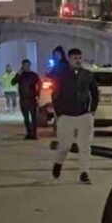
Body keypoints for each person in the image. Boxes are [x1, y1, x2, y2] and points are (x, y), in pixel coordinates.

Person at [50, 48, 99, 184]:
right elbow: (55, 95)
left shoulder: (87, 74)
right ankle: (58, 162)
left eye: (79, 58)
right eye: (75, 58)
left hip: (84, 115)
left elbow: (95, 94)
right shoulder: (61, 75)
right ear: (70, 59)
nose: (78, 61)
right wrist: (59, 113)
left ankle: (84, 173)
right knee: (65, 146)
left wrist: (92, 110)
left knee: (85, 146)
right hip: (66, 116)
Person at [12, 59, 41, 140]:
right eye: (25, 65)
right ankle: (29, 133)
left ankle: (34, 134)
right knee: (26, 118)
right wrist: (18, 74)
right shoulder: (20, 76)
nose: (27, 67)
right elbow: (13, 82)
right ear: (22, 66)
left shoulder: (34, 75)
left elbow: (39, 85)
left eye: (28, 65)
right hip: (23, 99)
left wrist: (38, 95)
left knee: (33, 118)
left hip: (32, 99)